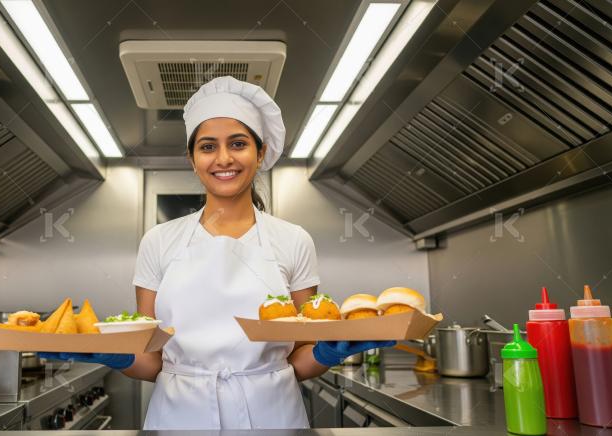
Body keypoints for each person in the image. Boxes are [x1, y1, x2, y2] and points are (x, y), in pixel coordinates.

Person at [41, 76, 395, 430]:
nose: (223, 158)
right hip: (179, 415)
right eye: (207, 147)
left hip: (272, 414)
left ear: (259, 153)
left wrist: (326, 353)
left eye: (238, 144)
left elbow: (300, 355)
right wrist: (113, 355)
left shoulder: (293, 240)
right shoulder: (159, 241)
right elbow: (151, 360)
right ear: (193, 160)